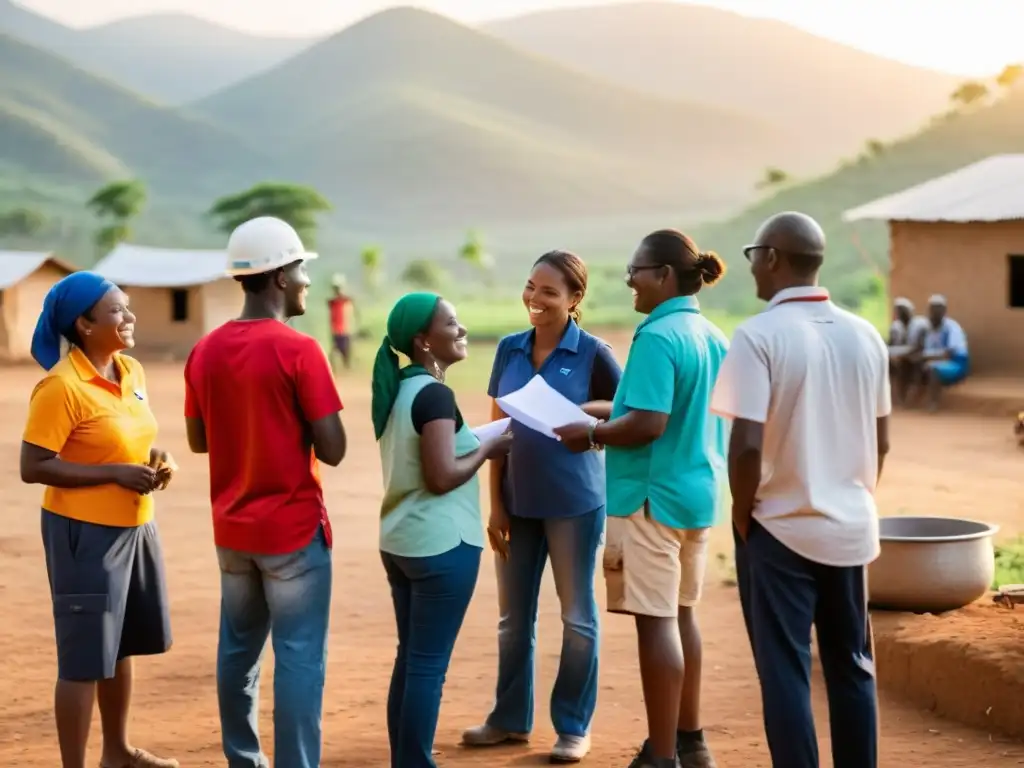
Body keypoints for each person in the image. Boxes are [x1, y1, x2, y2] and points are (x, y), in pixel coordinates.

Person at [710, 211, 890, 768]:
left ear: (772, 259)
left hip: (780, 527)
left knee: (785, 670)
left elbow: (744, 447)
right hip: (851, 528)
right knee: (852, 664)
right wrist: (850, 495)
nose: (752, 268)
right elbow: (881, 442)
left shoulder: (758, 335)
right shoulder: (866, 335)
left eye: (753, 256)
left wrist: (744, 515)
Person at [556, 230, 729, 768]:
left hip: (650, 500)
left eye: (637, 270)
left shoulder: (655, 337)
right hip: (694, 493)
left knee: (655, 623)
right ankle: (690, 741)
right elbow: (669, 411)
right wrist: (609, 411)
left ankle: (659, 754)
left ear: (665, 276)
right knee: (683, 617)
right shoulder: (710, 334)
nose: (629, 279)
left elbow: (650, 424)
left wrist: (588, 435)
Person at [183, 217, 346, 768]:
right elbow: (334, 448)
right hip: (293, 532)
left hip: (232, 532)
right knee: (299, 658)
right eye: (301, 269)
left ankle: (243, 760)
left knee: (238, 653)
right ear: (279, 276)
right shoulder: (300, 351)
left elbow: (199, 440)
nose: (306, 281)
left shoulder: (203, 351)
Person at [462, 251, 622, 763]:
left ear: (575, 300)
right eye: (531, 287)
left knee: (577, 618)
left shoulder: (594, 353)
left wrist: (581, 414)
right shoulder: (509, 349)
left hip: (575, 505)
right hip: (517, 502)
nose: (535, 299)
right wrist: (496, 505)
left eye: (549, 292)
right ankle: (509, 719)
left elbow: (626, 415)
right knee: (513, 621)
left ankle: (573, 726)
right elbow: (497, 429)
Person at [20, 271, 178, 768]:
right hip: (83, 534)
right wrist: (114, 474)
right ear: (85, 324)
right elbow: (34, 466)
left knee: (120, 645)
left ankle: (117, 751)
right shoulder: (60, 387)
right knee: (84, 658)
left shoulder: (130, 372)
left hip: (135, 526)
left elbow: (126, 438)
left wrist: (155, 459)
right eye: (117, 310)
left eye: (128, 307)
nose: (129, 317)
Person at [372, 292, 513, 768]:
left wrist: (471, 441)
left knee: (411, 658)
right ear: (423, 340)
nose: (462, 330)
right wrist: (487, 451)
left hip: (401, 541)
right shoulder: (435, 395)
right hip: (441, 545)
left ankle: (405, 758)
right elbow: (442, 475)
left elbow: (430, 454)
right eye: (451, 324)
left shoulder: (401, 390)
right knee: (427, 666)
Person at [917, 294, 969, 412]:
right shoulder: (928, 328)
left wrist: (923, 356)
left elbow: (948, 354)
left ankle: (933, 403)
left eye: (938, 309)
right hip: (936, 361)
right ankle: (911, 400)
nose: (935, 312)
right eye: (932, 309)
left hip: (956, 364)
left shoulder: (952, 327)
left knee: (932, 368)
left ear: (944, 311)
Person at [887, 297, 928, 405]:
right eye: (899, 310)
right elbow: (891, 343)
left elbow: (919, 346)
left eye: (903, 310)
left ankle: (914, 395)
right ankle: (898, 398)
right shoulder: (896, 326)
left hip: (918, 357)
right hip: (901, 357)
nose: (901, 313)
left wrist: (898, 352)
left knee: (914, 363)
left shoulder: (921, 324)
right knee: (891, 364)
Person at [327, 274, 356, 372]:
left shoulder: (345, 300)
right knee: (335, 353)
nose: (337, 290)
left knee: (345, 354)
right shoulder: (333, 302)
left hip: (344, 331)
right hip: (336, 331)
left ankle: (347, 369)